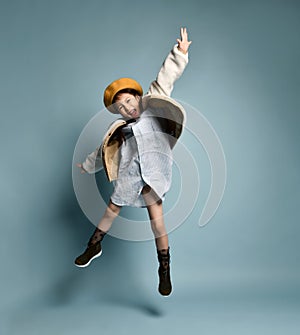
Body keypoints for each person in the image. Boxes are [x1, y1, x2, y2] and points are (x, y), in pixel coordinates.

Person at [74, 27, 192, 296]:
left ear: (138, 96)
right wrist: (88, 165)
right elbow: (103, 150)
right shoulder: (119, 127)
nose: (127, 108)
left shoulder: (153, 105)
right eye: (121, 108)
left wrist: (180, 53)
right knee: (111, 210)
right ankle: (94, 245)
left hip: (155, 173)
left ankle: (164, 268)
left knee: (157, 222)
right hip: (130, 174)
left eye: (129, 101)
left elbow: (166, 76)